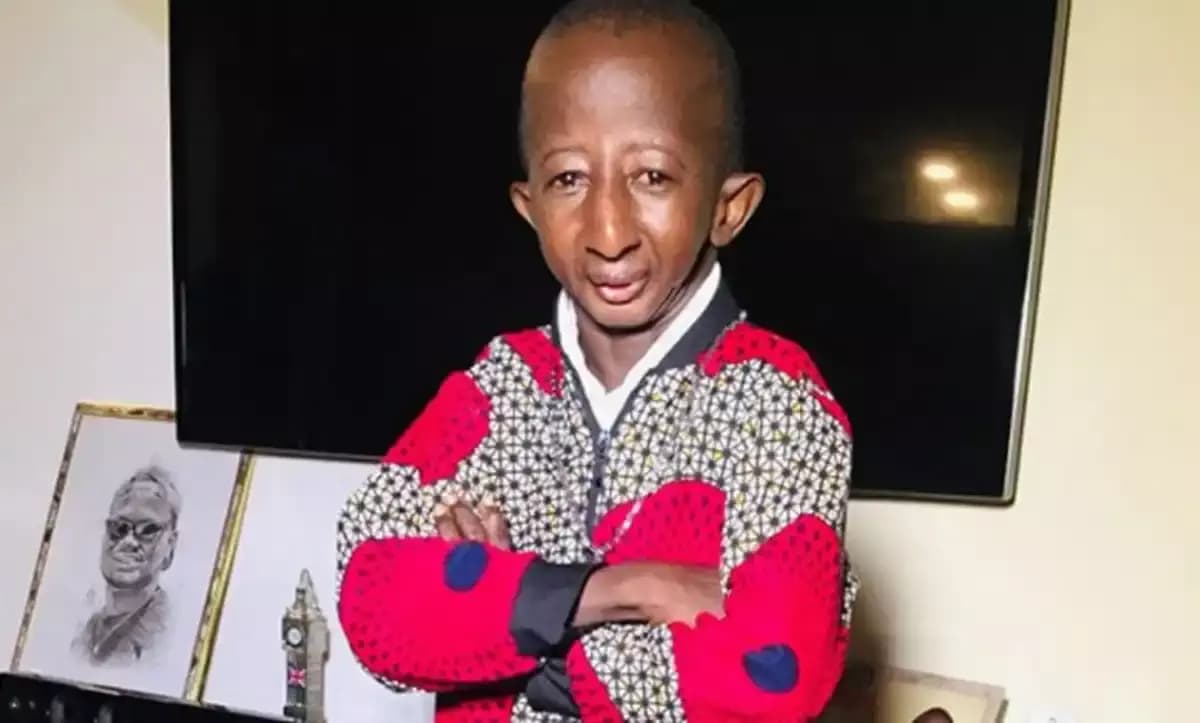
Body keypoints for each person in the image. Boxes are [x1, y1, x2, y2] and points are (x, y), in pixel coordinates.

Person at [335, 1, 858, 720]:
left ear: (728, 206)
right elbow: (371, 593)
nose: (608, 233)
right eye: (569, 180)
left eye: (652, 177)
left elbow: (767, 680)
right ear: (528, 206)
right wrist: (626, 588)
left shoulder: (779, 403)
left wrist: (503, 612)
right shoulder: (499, 384)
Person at [74, 465, 180, 665]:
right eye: (119, 528)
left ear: (171, 547)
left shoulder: (165, 639)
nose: (129, 541)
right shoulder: (85, 634)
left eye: (148, 530)